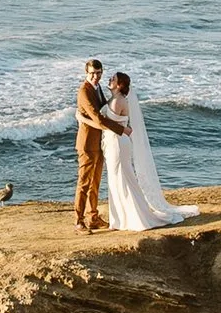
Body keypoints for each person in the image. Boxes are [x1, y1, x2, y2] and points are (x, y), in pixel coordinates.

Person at [99, 72, 200, 231]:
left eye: (113, 79)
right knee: (116, 179)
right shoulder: (113, 99)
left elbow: (106, 123)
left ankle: (132, 217)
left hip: (118, 143)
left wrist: (85, 118)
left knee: (122, 179)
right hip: (114, 143)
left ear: (120, 85)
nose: (110, 80)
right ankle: (119, 219)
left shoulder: (118, 101)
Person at [74, 57, 123, 231]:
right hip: (87, 144)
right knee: (84, 183)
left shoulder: (97, 87)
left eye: (98, 73)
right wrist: (121, 129)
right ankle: (79, 221)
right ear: (86, 73)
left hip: (100, 142)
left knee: (95, 182)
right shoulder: (84, 91)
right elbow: (97, 117)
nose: (96, 76)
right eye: (92, 73)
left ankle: (92, 217)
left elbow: (104, 108)